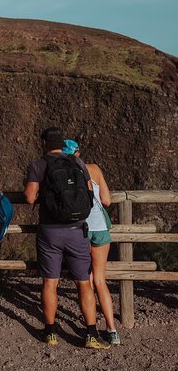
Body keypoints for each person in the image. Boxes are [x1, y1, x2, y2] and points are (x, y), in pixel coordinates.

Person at [23, 128, 110, 349]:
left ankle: (50, 332)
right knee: (83, 283)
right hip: (77, 230)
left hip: (50, 231)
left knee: (50, 282)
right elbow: (90, 195)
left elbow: (30, 197)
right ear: (62, 144)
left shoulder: (38, 164)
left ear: (44, 143)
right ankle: (91, 334)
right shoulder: (78, 163)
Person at [63, 139, 120, 345]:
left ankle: (91, 327)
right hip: (100, 228)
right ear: (78, 152)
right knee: (100, 281)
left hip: (80, 230)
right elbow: (106, 200)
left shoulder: (63, 174)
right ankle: (112, 330)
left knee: (84, 282)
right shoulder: (93, 168)